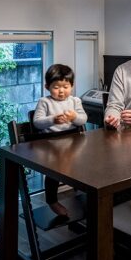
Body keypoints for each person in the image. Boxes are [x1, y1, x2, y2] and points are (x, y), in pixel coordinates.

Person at [32, 63, 87, 216]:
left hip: (73, 140)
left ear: (72, 86)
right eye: (56, 87)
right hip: (50, 142)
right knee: (53, 172)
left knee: (86, 163)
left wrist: (74, 117)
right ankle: (52, 201)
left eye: (66, 86)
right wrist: (52, 120)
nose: (61, 91)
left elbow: (83, 119)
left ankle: (86, 193)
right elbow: (37, 122)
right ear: (47, 86)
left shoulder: (75, 101)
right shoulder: (45, 102)